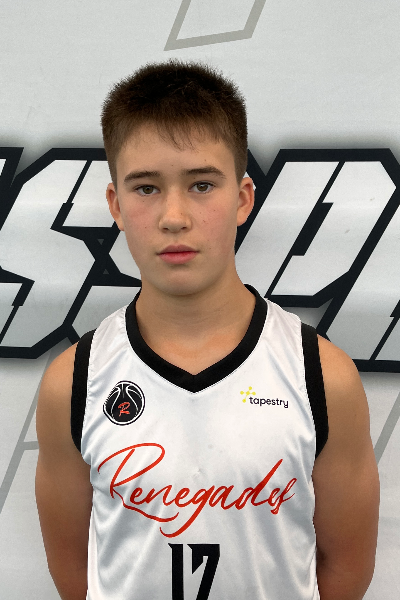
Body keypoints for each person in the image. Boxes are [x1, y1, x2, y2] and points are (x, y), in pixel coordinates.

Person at [35, 60, 380, 600]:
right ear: (115, 205)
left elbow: (346, 571)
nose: (174, 216)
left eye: (201, 185)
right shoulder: (74, 382)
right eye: (146, 188)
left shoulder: (321, 376)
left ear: (242, 199)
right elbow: (74, 571)